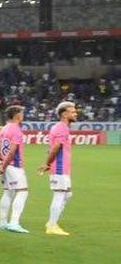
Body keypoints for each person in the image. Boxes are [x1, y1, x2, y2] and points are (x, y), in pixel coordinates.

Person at [39, 100, 76, 236]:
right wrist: (48, 163)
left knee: (67, 194)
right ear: (64, 114)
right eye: (73, 111)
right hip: (59, 168)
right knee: (59, 195)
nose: (75, 113)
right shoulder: (61, 128)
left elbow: (51, 148)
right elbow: (55, 148)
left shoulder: (60, 127)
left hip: (63, 168)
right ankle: (52, 225)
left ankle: (52, 222)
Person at [0, 104, 29, 233]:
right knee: (22, 191)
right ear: (17, 115)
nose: (23, 116)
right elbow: (12, 151)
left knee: (7, 192)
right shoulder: (16, 130)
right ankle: (14, 223)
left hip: (4, 164)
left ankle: (2, 222)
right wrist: (4, 165)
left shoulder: (4, 129)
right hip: (13, 165)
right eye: (22, 113)